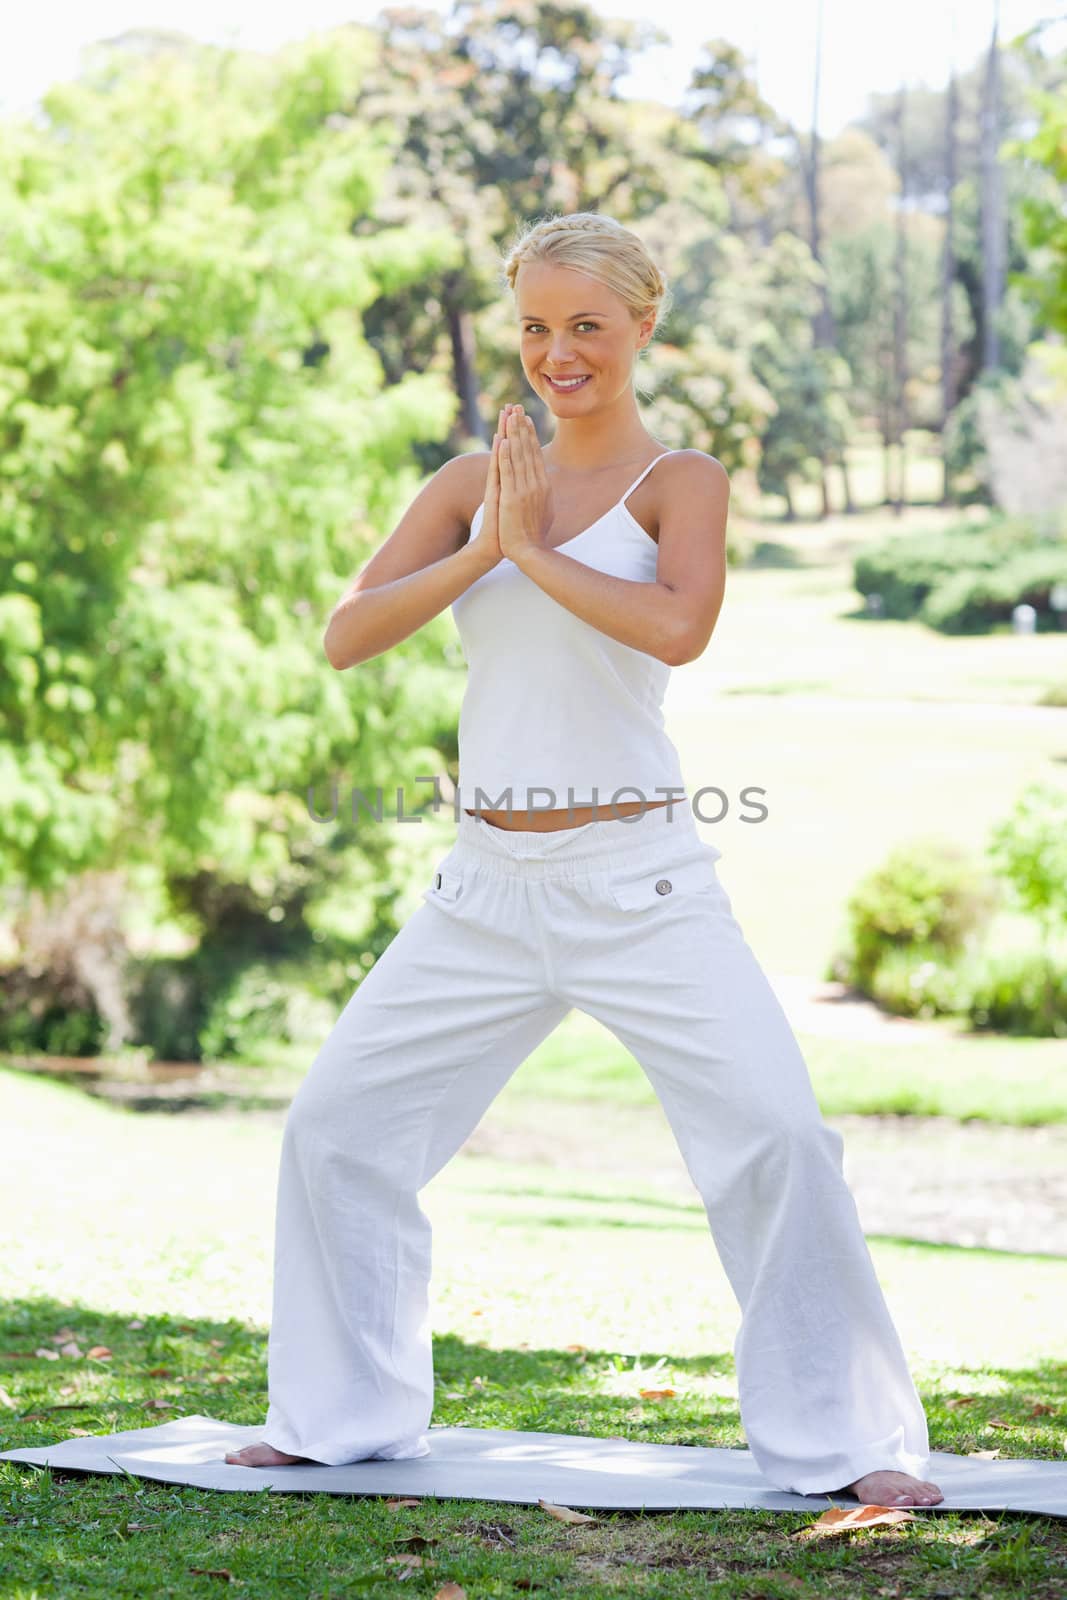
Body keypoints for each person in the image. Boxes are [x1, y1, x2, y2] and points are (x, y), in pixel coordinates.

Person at [225, 212, 943, 1508]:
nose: (558, 354)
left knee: (778, 1137)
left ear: (642, 328)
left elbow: (677, 628)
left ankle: (852, 1445)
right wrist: (485, 547)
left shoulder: (684, 481)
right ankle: (341, 1416)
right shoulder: (470, 484)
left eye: (586, 327)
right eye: (536, 327)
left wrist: (532, 551)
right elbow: (346, 634)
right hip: (481, 892)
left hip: (641, 883)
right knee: (339, 1131)